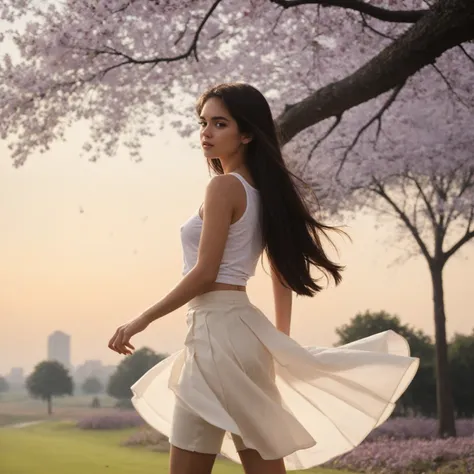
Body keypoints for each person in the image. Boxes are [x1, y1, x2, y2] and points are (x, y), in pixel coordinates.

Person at [108, 83, 419, 474]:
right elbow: (281, 273)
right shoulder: (260, 191)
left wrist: (141, 320)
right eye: (203, 123)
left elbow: (205, 273)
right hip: (236, 335)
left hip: (218, 336)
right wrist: (277, 341)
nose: (206, 132)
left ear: (247, 133)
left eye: (219, 124)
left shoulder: (223, 186)